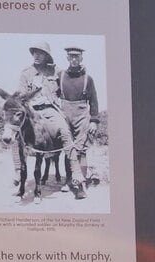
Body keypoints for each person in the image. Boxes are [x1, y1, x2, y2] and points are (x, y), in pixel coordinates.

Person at [56, 45, 97, 190]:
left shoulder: (88, 79)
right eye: (71, 57)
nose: (74, 59)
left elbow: (93, 102)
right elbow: (53, 95)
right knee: (68, 148)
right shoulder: (60, 76)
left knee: (81, 149)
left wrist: (93, 121)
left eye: (77, 57)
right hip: (64, 115)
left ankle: (81, 183)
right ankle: (68, 181)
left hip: (81, 116)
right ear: (67, 58)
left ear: (81, 58)